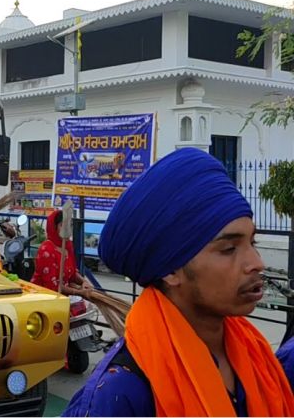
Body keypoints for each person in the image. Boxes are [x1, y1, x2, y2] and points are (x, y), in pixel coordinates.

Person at [62, 148, 294, 417]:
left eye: (252, 242)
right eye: (229, 249)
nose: (256, 262)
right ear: (171, 269)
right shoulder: (121, 393)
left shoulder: (255, 355)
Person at [31, 209, 93, 295]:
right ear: (54, 227)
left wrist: (85, 282)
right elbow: (52, 286)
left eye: (69, 225)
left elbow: (72, 273)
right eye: (62, 225)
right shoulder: (46, 250)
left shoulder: (68, 246)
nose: (67, 229)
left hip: (65, 294)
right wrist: (79, 292)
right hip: (44, 296)